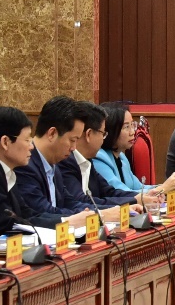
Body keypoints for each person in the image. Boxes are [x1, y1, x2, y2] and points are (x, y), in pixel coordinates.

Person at [14, 96, 122, 227]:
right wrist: (96, 217)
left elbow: (70, 202)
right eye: (72, 140)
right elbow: (43, 212)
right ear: (52, 133)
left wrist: (100, 213)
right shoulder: (25, 165)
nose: (74, 148)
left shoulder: (54, 164)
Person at [57, 103, 147, 209]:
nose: (103, 139)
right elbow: (81, 201)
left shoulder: (88, 160)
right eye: (103, 133)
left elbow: (109, 192)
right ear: (89, 134)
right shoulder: (66, 161)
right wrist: (133, 201)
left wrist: (140, 198)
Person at [94, 103, 175, 196]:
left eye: (132, 125)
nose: (132, 132)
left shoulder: (121, 157)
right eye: (126, 127)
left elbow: (139, 188)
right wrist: (162, 189)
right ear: (110, 130)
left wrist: (171, 186)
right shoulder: (99, 158)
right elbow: (121, 194)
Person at [0, 105, 36, 234]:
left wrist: (66, 220)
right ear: (5, 142)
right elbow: (3, 222)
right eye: (27, 140)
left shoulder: (4, 168)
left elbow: (25, 213)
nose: (31, 146)